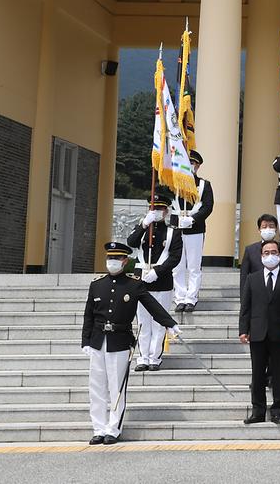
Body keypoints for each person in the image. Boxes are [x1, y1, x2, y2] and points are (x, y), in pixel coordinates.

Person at [81, 241, 180, 445]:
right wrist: (86, 341)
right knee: (96, 387)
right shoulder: (97, 284)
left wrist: (169, 323)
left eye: (117, 258)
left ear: (125, 261)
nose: (112, 262)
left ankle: (113, 429)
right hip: (98, 341)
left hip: (119, 341)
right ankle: (98, 428)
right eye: (110, 258)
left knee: (117, 388)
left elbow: (152, 305)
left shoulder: (134, 284)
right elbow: (88, 315)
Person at [239, 240, 280, 425]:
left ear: (279, 256)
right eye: (266, 253)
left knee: (279, 374)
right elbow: (245, 307)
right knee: (257, 374)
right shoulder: (252, 278)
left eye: (273, 252)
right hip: (257, 333)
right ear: (261, 255)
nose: (270, 255)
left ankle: (277, 410)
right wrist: (243, 330)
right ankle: (258, 411)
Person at [125, 195, 183, 372]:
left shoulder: (173, 232)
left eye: (160, 209)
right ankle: (142, 357)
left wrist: (157, 271)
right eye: (154, 209)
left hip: (162, 281)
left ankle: (154, 357)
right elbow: (130, 243)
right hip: (141, 282)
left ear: (166, 211)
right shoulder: (142, 228)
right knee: (143, 322)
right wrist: (143, 225)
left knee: (159, 322)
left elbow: (175, 257)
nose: (157, 212)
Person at [170, 149, 214, 313]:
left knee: (194, 266)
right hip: (176, 228)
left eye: (193, 163)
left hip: (195, 228)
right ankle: (180, 298)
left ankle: (191, 298)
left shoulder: (204, 185)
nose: (190, 166)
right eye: (187, 163)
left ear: (198, 166)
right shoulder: (173, 183)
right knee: (178, 266)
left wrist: (194, 218)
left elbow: (208, 207)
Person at [240, 214, 280, 290]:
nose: (268, 229)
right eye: (264, 227)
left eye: (271, 226)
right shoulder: (250, 250)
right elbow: (244, 277)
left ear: (276, 229)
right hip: (256, 293)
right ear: (259, 230)